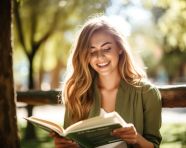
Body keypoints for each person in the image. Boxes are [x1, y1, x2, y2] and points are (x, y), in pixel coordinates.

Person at [50, 15, 162, 148]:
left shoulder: (147, 93)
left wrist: (136, 138)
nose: (100, 57)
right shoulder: (78, 93)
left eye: (107, 48)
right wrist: (64, 145)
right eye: (92, 51)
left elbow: (154, 145)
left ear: (120, 48)